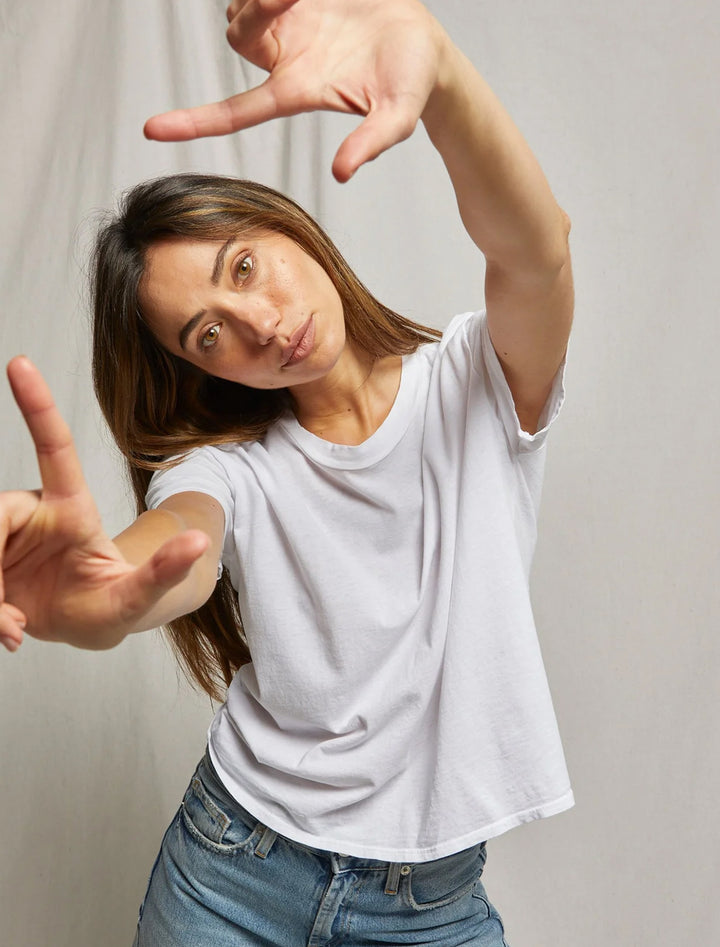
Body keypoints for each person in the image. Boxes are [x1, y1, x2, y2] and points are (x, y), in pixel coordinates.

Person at [0, 1, 575, 943]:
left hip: (432, 904)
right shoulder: (224, 466)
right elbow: (181, 547)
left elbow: (539, 252)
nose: (259, 322)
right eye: (210, 333)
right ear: (200, 370)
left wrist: (439, 73)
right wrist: (105, 591)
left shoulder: (474, 382)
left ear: (287, 230)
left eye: (246, 265)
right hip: (231, 874)